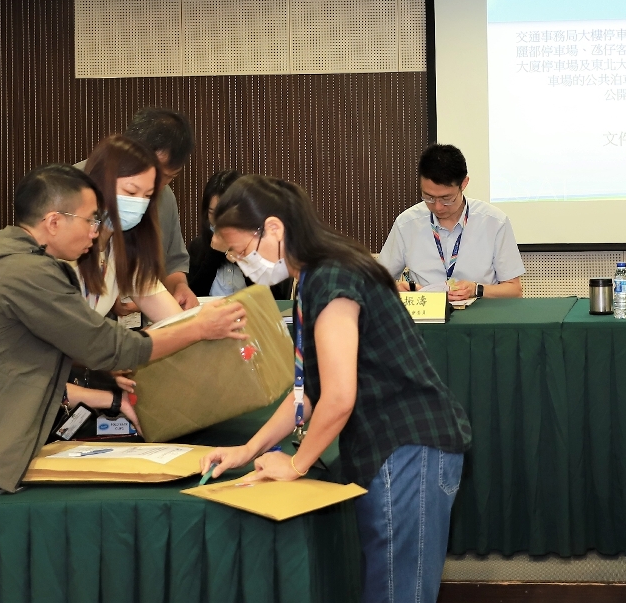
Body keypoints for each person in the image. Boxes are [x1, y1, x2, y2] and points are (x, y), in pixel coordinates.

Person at [0, 165, 247, 603]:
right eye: (91, 219)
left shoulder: (11, 261)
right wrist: (198, 328)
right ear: (54, 221)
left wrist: (107, 387)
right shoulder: (25, 272)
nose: (97, 231)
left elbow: (44, 352)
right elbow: (112, 347)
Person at [200, 176, 471, 603]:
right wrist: (247, 450)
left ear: (273, 228)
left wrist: (296, 464)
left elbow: (339, 397)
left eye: (239, 250)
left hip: (407, 447)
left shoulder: (331, 277)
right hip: (393, 447)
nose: (239, 262)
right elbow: (308, 391)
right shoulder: (316, 276)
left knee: (397, 594)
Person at [378, 144, 524, 301]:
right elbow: (374, 284)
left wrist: (476, 289)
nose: (438, 207)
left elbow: (514, 290)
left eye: (446, 198)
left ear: (464, 184)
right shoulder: (407, 224)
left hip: (480, 313)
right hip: (427, 314)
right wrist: (395, 289)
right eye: (429, 197)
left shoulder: (494, 222)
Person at [77, 134, 186, 322]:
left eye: (147, 196)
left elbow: (173, 318)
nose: (139, 203)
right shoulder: (67, 245)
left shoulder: (124, 248)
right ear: (100, 183)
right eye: (131, 192)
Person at [123, 107, 200, 309]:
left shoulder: (165, 197)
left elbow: (173, 262)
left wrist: (180, 286)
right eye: (156, 172)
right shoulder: (78, 188)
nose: (158, 185)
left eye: (170, 177)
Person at [188, 170, 292, 300]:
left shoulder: (264, 247)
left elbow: (275, 301)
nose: (221, 222)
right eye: (214, 213)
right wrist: (214, 255)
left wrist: (243, 259)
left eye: (227, 214)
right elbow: (191, 300)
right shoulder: (197, 247)